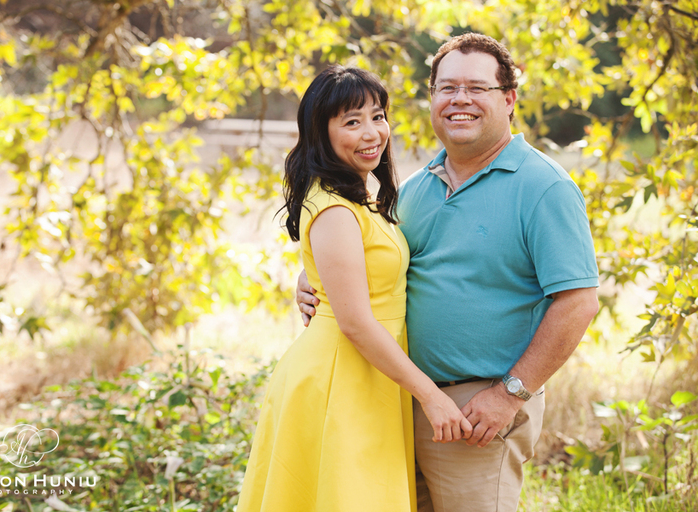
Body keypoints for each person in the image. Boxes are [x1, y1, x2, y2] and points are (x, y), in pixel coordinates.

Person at [296, 34, 600, 512]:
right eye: (447, 88)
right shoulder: (414, 189)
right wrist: (314, 279)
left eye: (477, 88)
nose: (460, 100)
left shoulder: (545, 187)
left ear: (509, 99)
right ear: (432, 98)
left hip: (477, 408)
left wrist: (509, 395)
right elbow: (373, 260)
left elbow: (578, 303)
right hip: (395, 401)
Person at [237, 65, 472, 512]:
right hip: (340, 376)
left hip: (371, 373)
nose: (371, 133)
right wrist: (431, 396)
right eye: (352, 121)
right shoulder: (335, 208)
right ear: (321, 134)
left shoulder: (359, 199)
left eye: (378, 116)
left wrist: (313, 276)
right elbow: (357, 323)